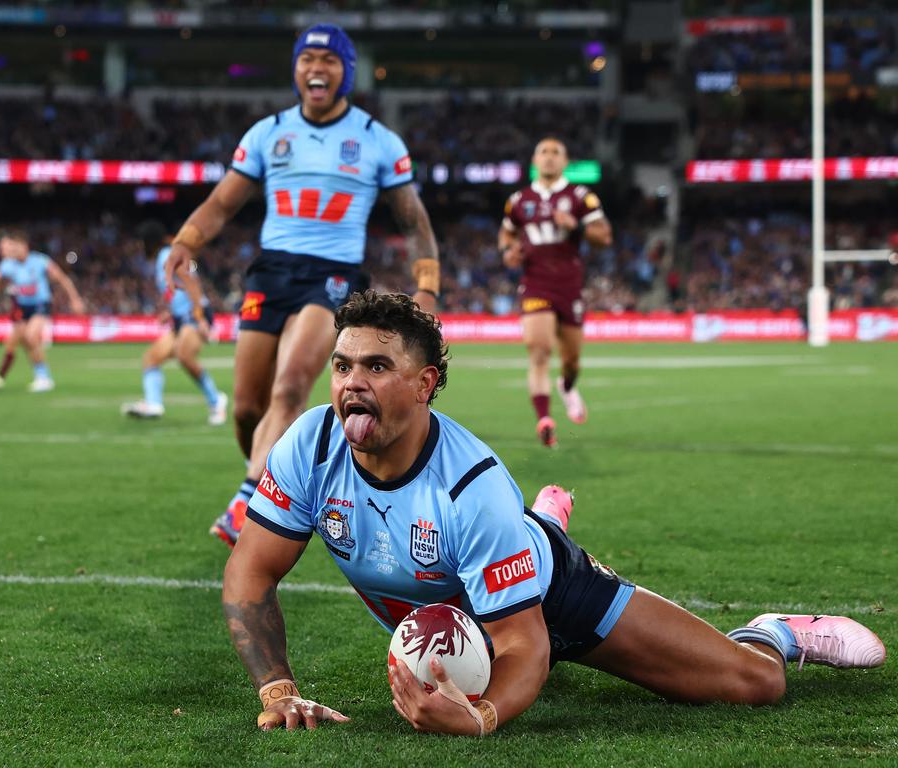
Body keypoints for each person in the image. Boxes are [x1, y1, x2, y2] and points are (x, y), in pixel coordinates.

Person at [222, 290, 886, 735]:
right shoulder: (309, 444)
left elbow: (524, 646)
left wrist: (478, 718)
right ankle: (536, 524)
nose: (350, 384)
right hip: (465, 611)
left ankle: (775, 630)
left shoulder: (470, 488)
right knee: (493, 579)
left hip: (551, 596)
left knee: (756, 686)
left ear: (426, 384)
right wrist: (278, 693)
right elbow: (249, 575)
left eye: (376, 366)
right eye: (341, 366)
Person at [159, 24, 440, 546]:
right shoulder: (268, 133)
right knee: (247, 407)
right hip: (271, 272)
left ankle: (248, 499)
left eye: (329, 60)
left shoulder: (378, 140)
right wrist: (187, 241)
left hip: (333, 276)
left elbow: (414, 221)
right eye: (308, 58)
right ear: (296, 69)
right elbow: (223, 203)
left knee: (290, 387)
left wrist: (428, 287)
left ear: (345, 72)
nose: (317, 67)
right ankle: (268, 476)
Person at [498, 137, 612, 448]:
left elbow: (604, 235)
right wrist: (509, 251)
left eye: (556, 153)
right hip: (535, 282)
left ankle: (567, 384)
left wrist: (575, 226)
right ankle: (544, 419)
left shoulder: (580, 196)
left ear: (565, 161)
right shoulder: (519, 200)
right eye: (543, 152)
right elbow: (507, 232)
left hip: (569, 285)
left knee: (572, 360)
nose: (549, 157)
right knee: (538, 350)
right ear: (535, 159)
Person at [121, 220, 228, 425]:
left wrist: (200, 317)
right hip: (181, 319)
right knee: (151, 358)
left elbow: (192, 283)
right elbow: (179, 290)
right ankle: (154, 404)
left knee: (183, 354)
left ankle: (216, 400)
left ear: (148, 242)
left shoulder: (168, 256)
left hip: (193, 317)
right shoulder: (163, 258)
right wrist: (170, 313)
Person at [0, 229, 86, 393]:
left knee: (30, 336)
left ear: (25, 246)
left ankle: (44, 378)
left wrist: (75, 299)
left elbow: (62, 279)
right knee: (21, 342)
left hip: (41, 305)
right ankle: (37, 376)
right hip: (22, 308)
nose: (13, 250)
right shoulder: (8, 264)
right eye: (11, 247)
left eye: (16, 247)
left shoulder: (40, 260)